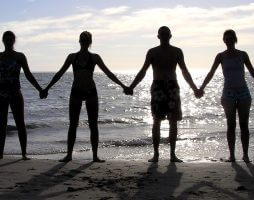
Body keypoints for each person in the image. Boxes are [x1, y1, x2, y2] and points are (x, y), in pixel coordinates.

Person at [40, 31, 129, 162]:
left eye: (86, 39)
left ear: (90, 42)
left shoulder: (95, 58)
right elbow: (59, 74)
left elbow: (109, 73)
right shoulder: (72, 57)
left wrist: (123, 86)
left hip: (90, 92)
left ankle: (95, 156)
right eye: (82, 39)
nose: (84, 41)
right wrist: (46, 88)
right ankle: (69, 155)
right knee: (73, 124)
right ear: (79, 41)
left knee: (93, 125)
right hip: (76, 92)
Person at [126, 26, 198, 163]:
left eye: (166, 34)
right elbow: (143, 71)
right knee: (156, 120)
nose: (164, 36)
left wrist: (194, 88)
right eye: (162, 34)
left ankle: (172, 154)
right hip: (158, 87)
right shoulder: (152, 52)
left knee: (173, 121)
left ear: (170, 36)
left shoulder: (177, 51)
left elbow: (184, 71)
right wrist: (132, 86)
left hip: (172, 87)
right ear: (158, 36)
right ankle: (156, 154)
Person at [197, 29, 254, 163]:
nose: (229, 40)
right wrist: (201, 88)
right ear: (224, 40)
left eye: (231, 38)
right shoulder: (220, 56)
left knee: (244, 125)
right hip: (228, 94)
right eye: (226, 38)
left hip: (243, 93)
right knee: (231, 125)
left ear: (235, 39)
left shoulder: (243, 55)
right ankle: (232, 155)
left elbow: (252, 71)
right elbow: (211, 73)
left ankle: (246, 155)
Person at [0, 31, 43, 160]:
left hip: (15, 93)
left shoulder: (19, 56)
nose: (8, 41)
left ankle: (24, 153)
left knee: (20, 123)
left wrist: (40, 89)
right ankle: (0, 153)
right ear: (3, 40)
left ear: (14, 41)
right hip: (1, 95)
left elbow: (28, 74)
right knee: (1, 124)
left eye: (11, 39)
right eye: (6, 39)